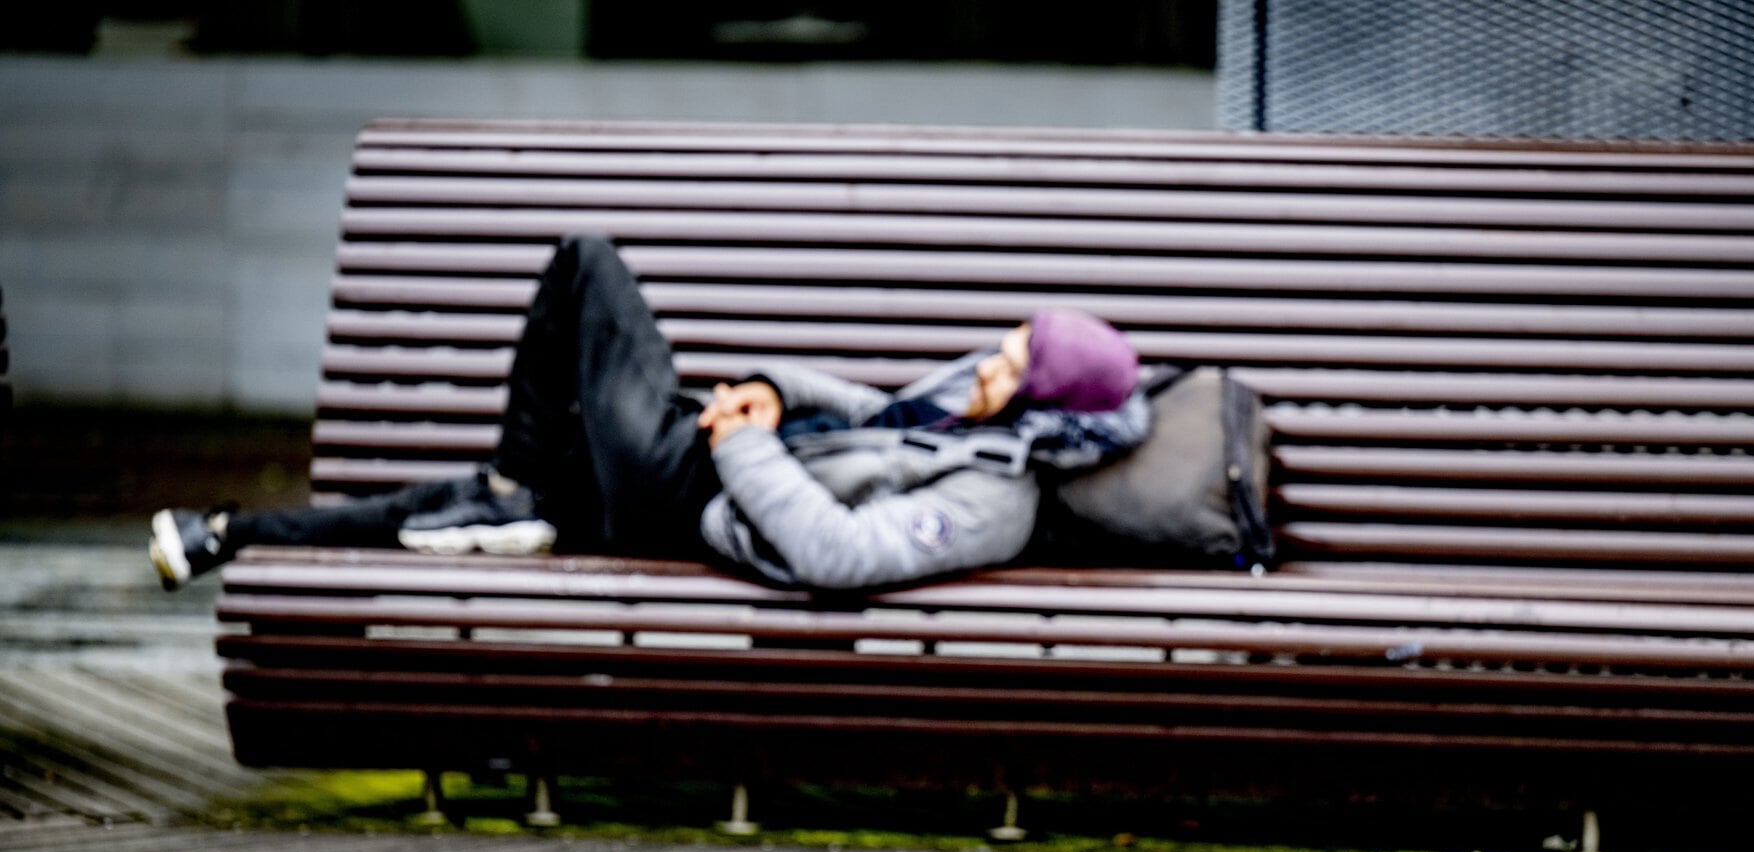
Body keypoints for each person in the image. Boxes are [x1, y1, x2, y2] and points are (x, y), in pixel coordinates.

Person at [149, 234, 1149, 593]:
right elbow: (875, 415)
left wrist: (747, 441)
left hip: (695, 497)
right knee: (469, 500)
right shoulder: (981, 423)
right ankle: (223, 538)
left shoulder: (994, 500)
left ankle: (510, 493)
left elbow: (839, 557)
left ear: (1046, 402)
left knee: (588, 261)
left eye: (1011, 363)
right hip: (705, 462)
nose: (988, 363)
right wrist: (777, 391)